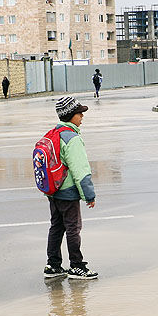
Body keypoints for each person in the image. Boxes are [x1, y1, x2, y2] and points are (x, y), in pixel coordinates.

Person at [43, 96, 99, 281]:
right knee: (73, 227)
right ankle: (77, 266)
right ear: (70, 116)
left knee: (56, 227)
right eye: (79, 112)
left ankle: (53, 265)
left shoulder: (53, 134)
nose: (82, 115)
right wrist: (89, 195)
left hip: (54, 191)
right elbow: (80, 170)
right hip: (68, 192)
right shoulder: (72, 138)